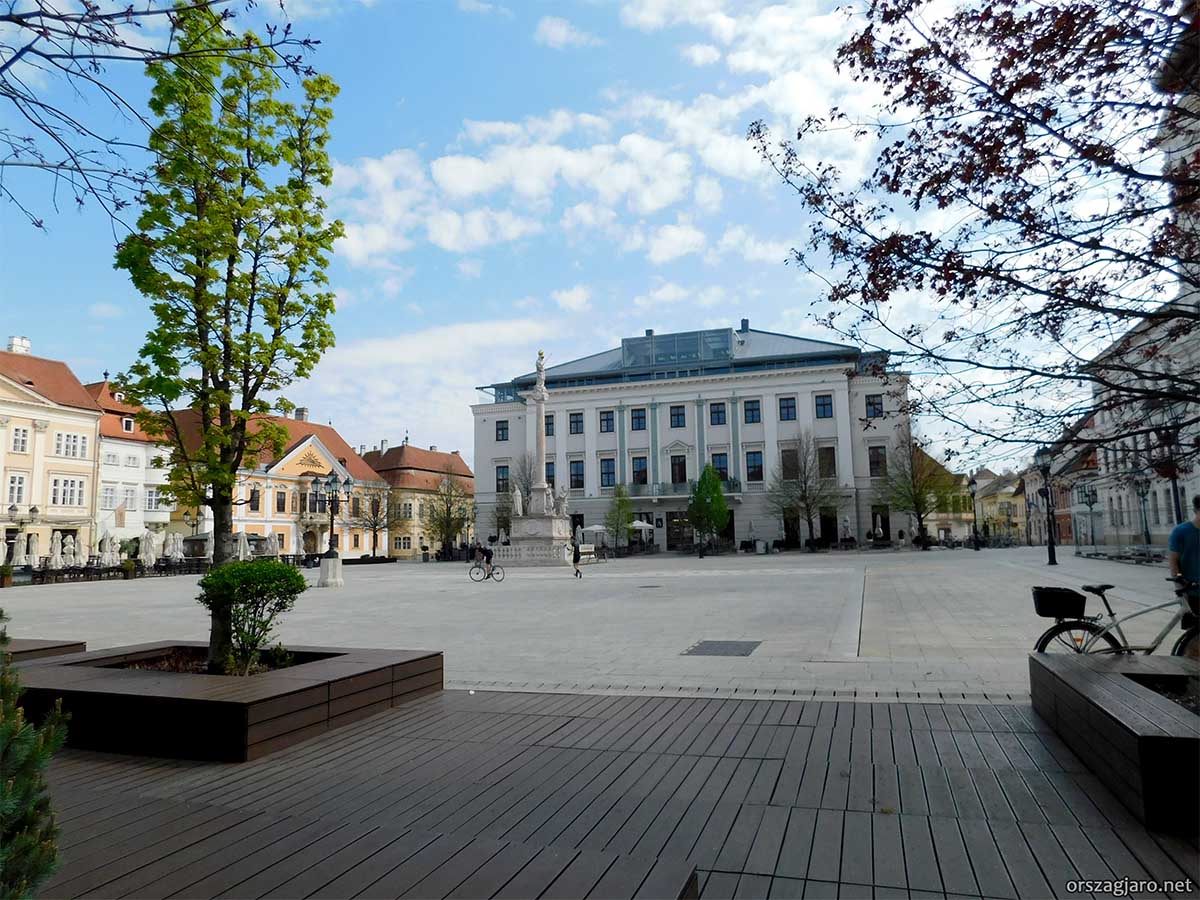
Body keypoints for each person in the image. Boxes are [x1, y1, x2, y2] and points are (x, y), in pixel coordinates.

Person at [1168, 493, 1200, 601]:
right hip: (1192, 591)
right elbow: (1173, 561)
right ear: (1196, 511)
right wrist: (1180, 585)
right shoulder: (1181, 532)